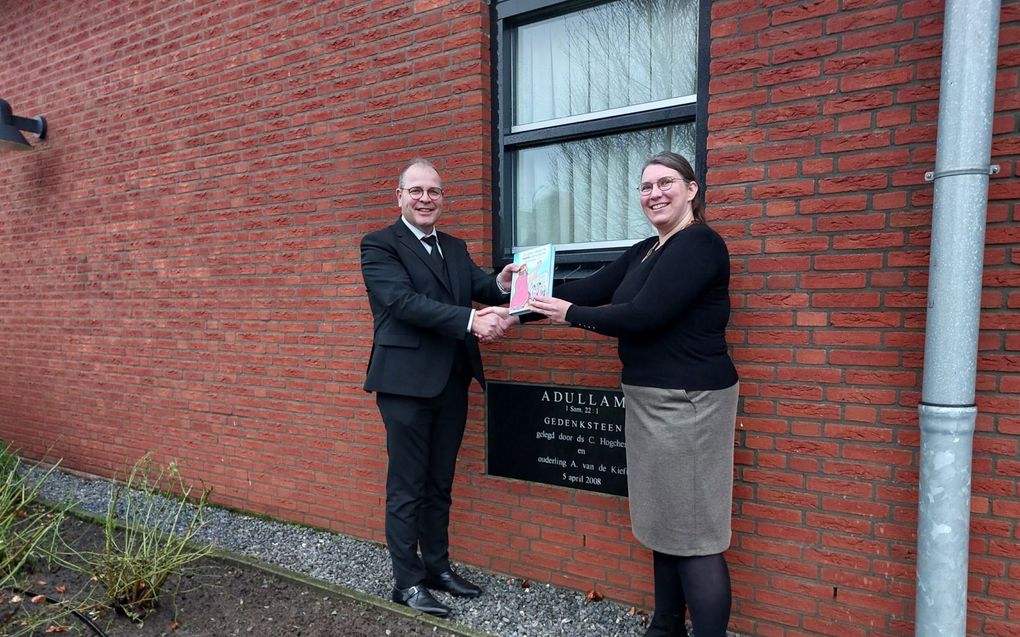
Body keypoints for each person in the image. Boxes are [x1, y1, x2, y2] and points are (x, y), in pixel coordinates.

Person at [527, 151, 739, 637]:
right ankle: (665, 626)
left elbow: (644, 315)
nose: (654, 194)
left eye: (665, 183)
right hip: (651, 402)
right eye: (645, 187)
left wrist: (568, 315)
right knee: (665, 523)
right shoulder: (649, 248)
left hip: (688, 403)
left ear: (692, 190)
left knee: (696, 534)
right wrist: (518, 305)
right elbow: (590, 288)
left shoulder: (700, 244)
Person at [360, 158, 515, 617]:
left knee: (440, 481)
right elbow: (403, 303)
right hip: (405, 385)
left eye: (435, 192)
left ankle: (437, 567)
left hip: (451, 379)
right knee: (407, 486)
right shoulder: (379, 245)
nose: (426, 199)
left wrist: (501, 285)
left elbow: (479, 286)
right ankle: (406, 582)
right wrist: (472, 319)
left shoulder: (453, 245)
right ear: (400, 197)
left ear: (443, 199)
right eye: (417, 191)